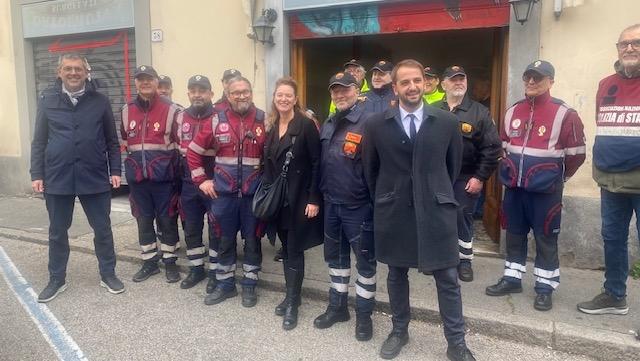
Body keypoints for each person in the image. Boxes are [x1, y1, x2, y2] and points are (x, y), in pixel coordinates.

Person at [363, 59, 475, 361]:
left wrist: (433, 194)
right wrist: (388, 197)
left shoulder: (447, 123)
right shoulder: (375, 125)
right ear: (395, 87)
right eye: (404, 82)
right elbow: (370, 171)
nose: (411, 87)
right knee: (396, 274)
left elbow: (452, 169)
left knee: (448, 277)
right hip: (394, 210)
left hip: (436, 211)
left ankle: (456, 343)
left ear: (426, 84)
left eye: (417, 81)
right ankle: (399, 330)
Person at [486, 60, 586, 311]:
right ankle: (512, 278)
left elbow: (576, 155)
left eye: (538, 78)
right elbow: (503, 145)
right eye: (528, 77)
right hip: (515, 189)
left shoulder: (565, 114)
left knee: (545, 239)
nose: (531, 82)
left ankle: (544, 287)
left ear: (550, 82)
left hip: (546, 192)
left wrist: (558, 177)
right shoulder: (513, 111)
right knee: (515, 235)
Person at [30, 53, 124, 302]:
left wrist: (115, 170)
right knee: (57, 231)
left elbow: (112, 141)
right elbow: (39, 141)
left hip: (93, 176)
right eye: (68, 69)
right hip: (57, 176)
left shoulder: (100, 101)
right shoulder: (47, 100)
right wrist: (37, 173)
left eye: (78, 69)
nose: (73, 73)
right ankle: (56, 279)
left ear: (86, 72)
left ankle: (108, 274)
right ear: (59, 72)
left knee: (102, 229)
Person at [187, 76, 267, 307]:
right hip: (223, 196)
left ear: (251, 92)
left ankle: (250, 286)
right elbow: (193, 153)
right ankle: (225, 285)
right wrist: (202, 180)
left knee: (252, 241)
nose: (241, 96)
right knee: (224, 240)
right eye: (236, 92)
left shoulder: (263, 120)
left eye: (245, 91)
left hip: (253, 196)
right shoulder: (216, 120)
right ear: (228, 95)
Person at [578, 24, 640, 316]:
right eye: (624, 43)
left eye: (636, 42)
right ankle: (615, 295)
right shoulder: (606, 84)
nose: (629, 48)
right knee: (612, 238)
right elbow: (602, 124)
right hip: (609, 178)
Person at [314, 72, 376, 341]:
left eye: (345, 89)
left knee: (366, 264)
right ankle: (338, 308)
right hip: (331, 205)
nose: (340, 95)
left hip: (358, 207)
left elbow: (379, 168)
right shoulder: (328, 123)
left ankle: (364, 316)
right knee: (336, 262)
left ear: (357, 89)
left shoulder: (369, 123)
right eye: (335, 91)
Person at [262, 77, 323, 330]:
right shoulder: (271, 124)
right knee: (286, 251)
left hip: (299, 199)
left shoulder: (306, 125)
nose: (284, 99)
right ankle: (290, 295)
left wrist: (314, 198)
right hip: (278, 200)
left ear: (295, 99)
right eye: (279, 95)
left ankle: (293, 304)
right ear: (274, 98)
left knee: (295, 250)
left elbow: (318, 164)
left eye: (288, 95)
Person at [437, 66, 501, 282]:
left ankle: (464, 261)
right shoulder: (433, 110)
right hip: (437, 177)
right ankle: (442, 260)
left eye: (461, 79)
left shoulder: (479, 112)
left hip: (466, 177)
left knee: (462, 219)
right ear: (443, 84)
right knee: (439, 218)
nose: (458, 83)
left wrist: (480, 177)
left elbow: (492, 149)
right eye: (453, 79)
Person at [121, 65, 181, 284]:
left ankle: (170, 262)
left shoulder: (172, 109)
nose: (145, 83)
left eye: (149, 79)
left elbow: (181, 145)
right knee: (143, 220)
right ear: (135, 83)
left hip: (165, 178)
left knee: (167, 220)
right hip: (138, 179)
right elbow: (126, 140)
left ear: (157, 82)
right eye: (140, 79)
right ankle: (149, 262)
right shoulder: (126, 110)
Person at [175, 75, 219, 292]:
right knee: (191, 228)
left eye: (202, 90)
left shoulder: (220, 117)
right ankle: (196, 269)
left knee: (215, 229)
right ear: (188, 93)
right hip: (189, 183)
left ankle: (215, 272)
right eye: (193, 90)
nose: (197, 94)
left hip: (213, 182)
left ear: (211, 93)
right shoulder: (180, 117)